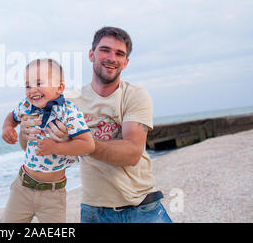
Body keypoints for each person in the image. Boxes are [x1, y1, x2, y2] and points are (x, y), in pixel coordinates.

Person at [19, 27, 173, 223]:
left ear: (125, 63)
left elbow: (132, 153)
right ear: (91, 54)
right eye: (105, 50)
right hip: (94, 212)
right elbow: (33, 145)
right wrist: (24, 133)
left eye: (119, 54)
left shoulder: (134, 96)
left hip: (143, 209)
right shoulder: (67, 101)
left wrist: (80, 141)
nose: (112, 57)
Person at [1, 58, 95, 223]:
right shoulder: (25, 106)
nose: (32, 90)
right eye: (28, 85)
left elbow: (87, 145)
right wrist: (7, 128)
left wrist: (55, 148)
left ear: (60, 87)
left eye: (39, 83)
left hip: (53, 194)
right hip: (22, 187)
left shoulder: (69, 112)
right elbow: (11, 116)